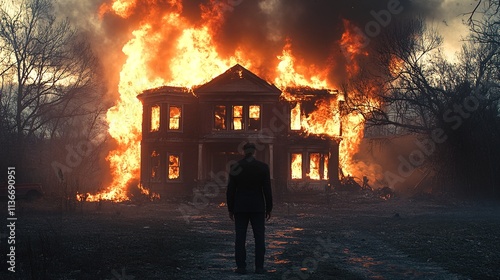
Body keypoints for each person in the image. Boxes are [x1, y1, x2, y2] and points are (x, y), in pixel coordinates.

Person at [226, 142, 273, 275]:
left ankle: (241, 267)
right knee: (259, 238)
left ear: (244, 152)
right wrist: (269, 207)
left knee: (240, 238)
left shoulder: (235, 166)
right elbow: (267, 189)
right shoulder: (263, 167)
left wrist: (231, 208)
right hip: (257, 207)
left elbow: (230, 190)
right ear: (254, 152)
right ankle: (259, 267)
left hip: (240, 207)